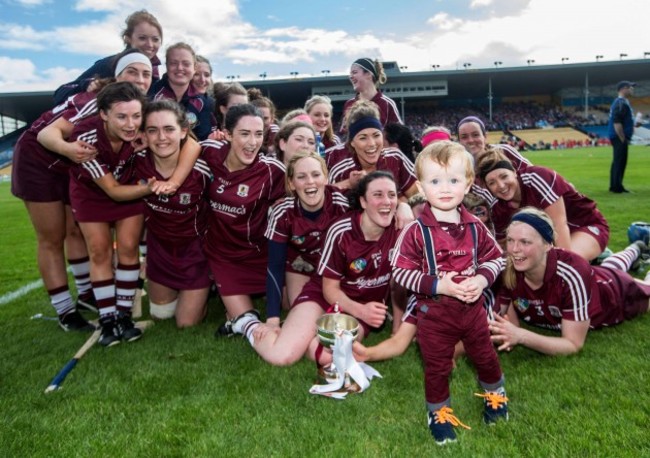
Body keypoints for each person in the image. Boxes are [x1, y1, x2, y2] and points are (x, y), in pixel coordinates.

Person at [14, 50, 155, 333]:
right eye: (132, 72)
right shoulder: (94, 102)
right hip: (41, 159)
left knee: (77, 231)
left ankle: (90, 295)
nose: (140, 80)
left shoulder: (133, 108)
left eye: (146, 74)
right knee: (52, 236)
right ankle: (66, 311)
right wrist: (70, 149)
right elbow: (46, 135)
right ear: (117, 75)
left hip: (76, 164)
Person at [391, 141, 507, 445]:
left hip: (473, 312)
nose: (445, 188)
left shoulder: (476, 227)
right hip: (434, 316)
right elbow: (400, 272)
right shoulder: (414, 232)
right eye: (435, 181)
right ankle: (439, 413)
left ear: (468, 183)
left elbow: (497, 259)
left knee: (485, 356)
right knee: (437, 367)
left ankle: (496, 396)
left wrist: (481, 281)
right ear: (420, 186)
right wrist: (439, 284)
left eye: (454, 180)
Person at [231, 171, 401, 366]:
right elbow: (330, 289)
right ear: (363, 201)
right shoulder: (341, 231)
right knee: (282, 356)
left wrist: (396, 331)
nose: (387, 201)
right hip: (325, 296)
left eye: (392, 195)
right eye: (378, 195)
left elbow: (400, 284)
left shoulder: (402, 230)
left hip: (358, 308)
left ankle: (303, 332)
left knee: (323, 355)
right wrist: (362, 311)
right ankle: (246, 323)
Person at [46, 82, 152, 346]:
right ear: (103, 114)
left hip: (129, 186)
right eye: (122, 116)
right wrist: (150, 188)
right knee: (100, 251)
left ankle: (124, 317)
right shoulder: (86, 138)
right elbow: (114, 191)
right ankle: (107, 319)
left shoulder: (142, 131)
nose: (130, 124)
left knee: (128, 248)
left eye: (136, 116)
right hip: (95, 192)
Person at [490, 207, 650, 356]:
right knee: (610, 266)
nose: (514, 249)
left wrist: (521, 336)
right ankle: (636, 248)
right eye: (510, 240)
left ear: (547, 245)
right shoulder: (507, 267)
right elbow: (499, 316)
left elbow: (573, 344)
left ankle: (636, 253)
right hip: (599, 276)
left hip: (619, 294)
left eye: (525, 242)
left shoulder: (572, 272)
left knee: (634, 281)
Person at [201, 104, 286, 335]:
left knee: (293, 305)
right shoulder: (208, 152)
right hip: (223, 257)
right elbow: (179, 145)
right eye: (244, 133)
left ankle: (236, 315)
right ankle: (236, 314)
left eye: (258, 134)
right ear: (227, 134)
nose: (252, 142)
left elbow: (305, 193)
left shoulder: (272, 171)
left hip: (260, 254)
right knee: (185, 321)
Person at [132, 100, 212, 327]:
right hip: (160, 249)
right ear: (144, 135)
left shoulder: (202, 169)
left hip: (195, 251)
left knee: (186, 323)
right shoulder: (136, 163)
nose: (161, 137)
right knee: (161, 314)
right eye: (152, 130)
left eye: (169, 129)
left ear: (183, 131)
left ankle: (209, 285)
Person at [476, 149, 609, 262]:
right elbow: (502, 246)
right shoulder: (498, 207)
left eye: (504, 176)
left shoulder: (537, 178)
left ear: (514, 172)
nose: (500, 185)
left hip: (584, 226)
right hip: (547, 240)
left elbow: (559, 225)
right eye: (492, 182)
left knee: (564, 263)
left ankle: (611, 259)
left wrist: (560, 265)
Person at [53, 10, 163, 105]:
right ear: (128, 38)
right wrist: (87, 85)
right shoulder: (108, 64)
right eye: (142, 38)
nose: (150, 44)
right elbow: (60, 93)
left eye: (155, 39)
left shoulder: (156, 76)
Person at [327, 100, 418, 199]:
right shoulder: (341, 171)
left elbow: (417, 196)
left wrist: (403, 206)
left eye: (376, 135)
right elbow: (327, 204)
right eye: (363, 137)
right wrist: (349, 183)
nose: (371, 144)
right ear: (352, 142)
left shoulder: (395, 158)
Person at [456, 116, 531, 204]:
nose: (471, 140)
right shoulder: (458, 168)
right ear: (459, 141)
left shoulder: (504, 151)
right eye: (464, 137)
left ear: (484, 136)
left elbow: (530, 173)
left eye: (475, 135)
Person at [149, 42, 215, 141]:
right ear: (166, 66)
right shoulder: (151, 93)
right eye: (174, 63)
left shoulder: (201, 102)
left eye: (186, 64)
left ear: (194, 67)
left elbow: (202, 138)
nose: (180, 68)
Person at [340, 58, 402, 134]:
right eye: (350, 74)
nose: (350, 76)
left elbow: (400, 135)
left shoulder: (387, 104)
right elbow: (344, 135)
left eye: (354, 72)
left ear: (369, 74)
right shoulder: (349, 104)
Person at [607, 81, 637, 193]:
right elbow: (617, 121)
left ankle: (615, 185)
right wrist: (622, 137)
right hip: (619, 136)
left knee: (618, 161)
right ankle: (617, 187)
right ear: (623, 89)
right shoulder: (620, 103)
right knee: (620, 161)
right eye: (630, 88)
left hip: (619, 136)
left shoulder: (623, 102)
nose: (632, 90)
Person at [248, 88, 279, 156]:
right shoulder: (242, 131)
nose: (261, 122)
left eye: (265, 118)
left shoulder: (275, 132)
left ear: (272, 119)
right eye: (258, 117)